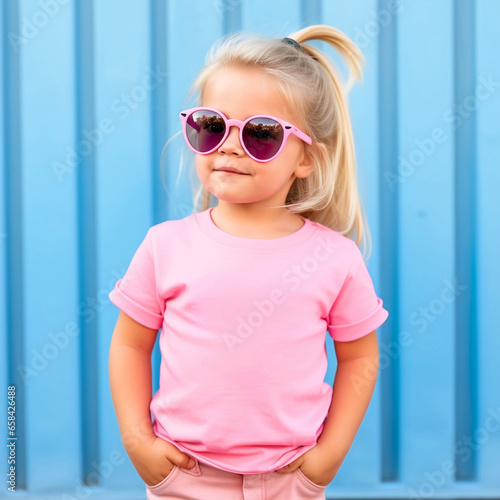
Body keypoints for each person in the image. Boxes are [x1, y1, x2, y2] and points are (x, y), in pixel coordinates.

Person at [108, 23, 389, 500]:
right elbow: (130, 346)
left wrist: (326, 461)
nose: (230, 145)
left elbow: (360, 357)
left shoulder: (334, 259)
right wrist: (139, 444)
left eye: (261, 133)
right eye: (213, 126)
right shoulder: (165, 246)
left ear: (306, 159)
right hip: (184, 475)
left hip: (290, 480)